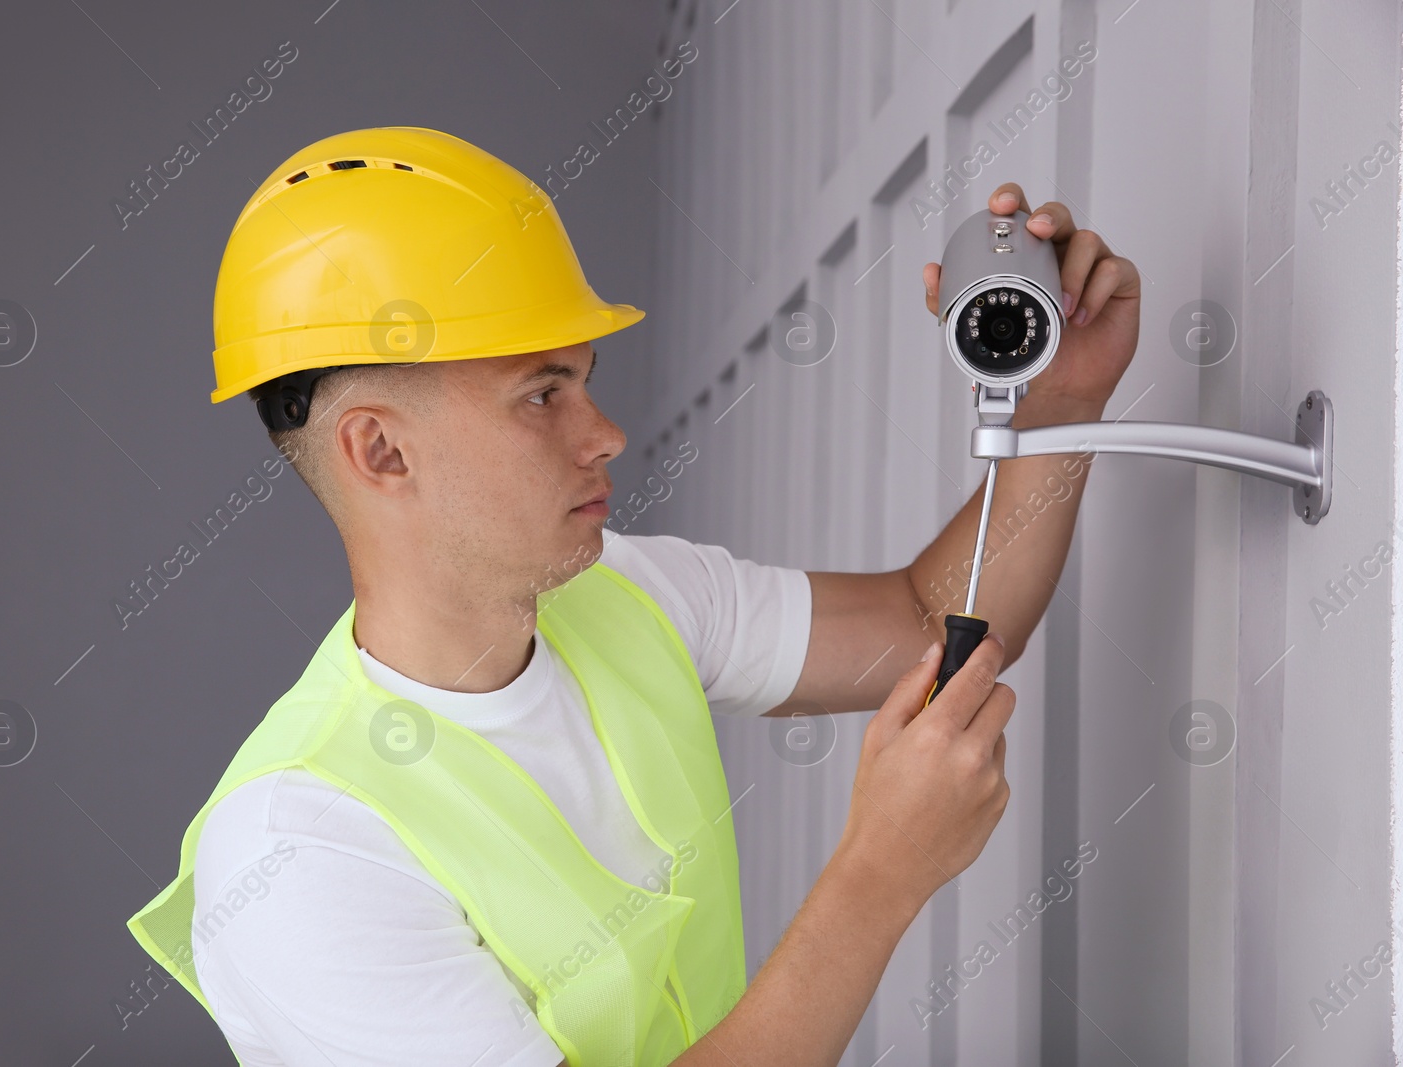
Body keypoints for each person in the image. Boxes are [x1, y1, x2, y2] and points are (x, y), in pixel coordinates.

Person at [126, 126, 1139, 1066]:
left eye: (584, 378)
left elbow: (926, 620)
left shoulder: (627, 593)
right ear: (381, 450)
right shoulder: (303, 851)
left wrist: (1055, 412)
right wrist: (878, 876)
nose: (604, 432)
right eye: (541, 393)